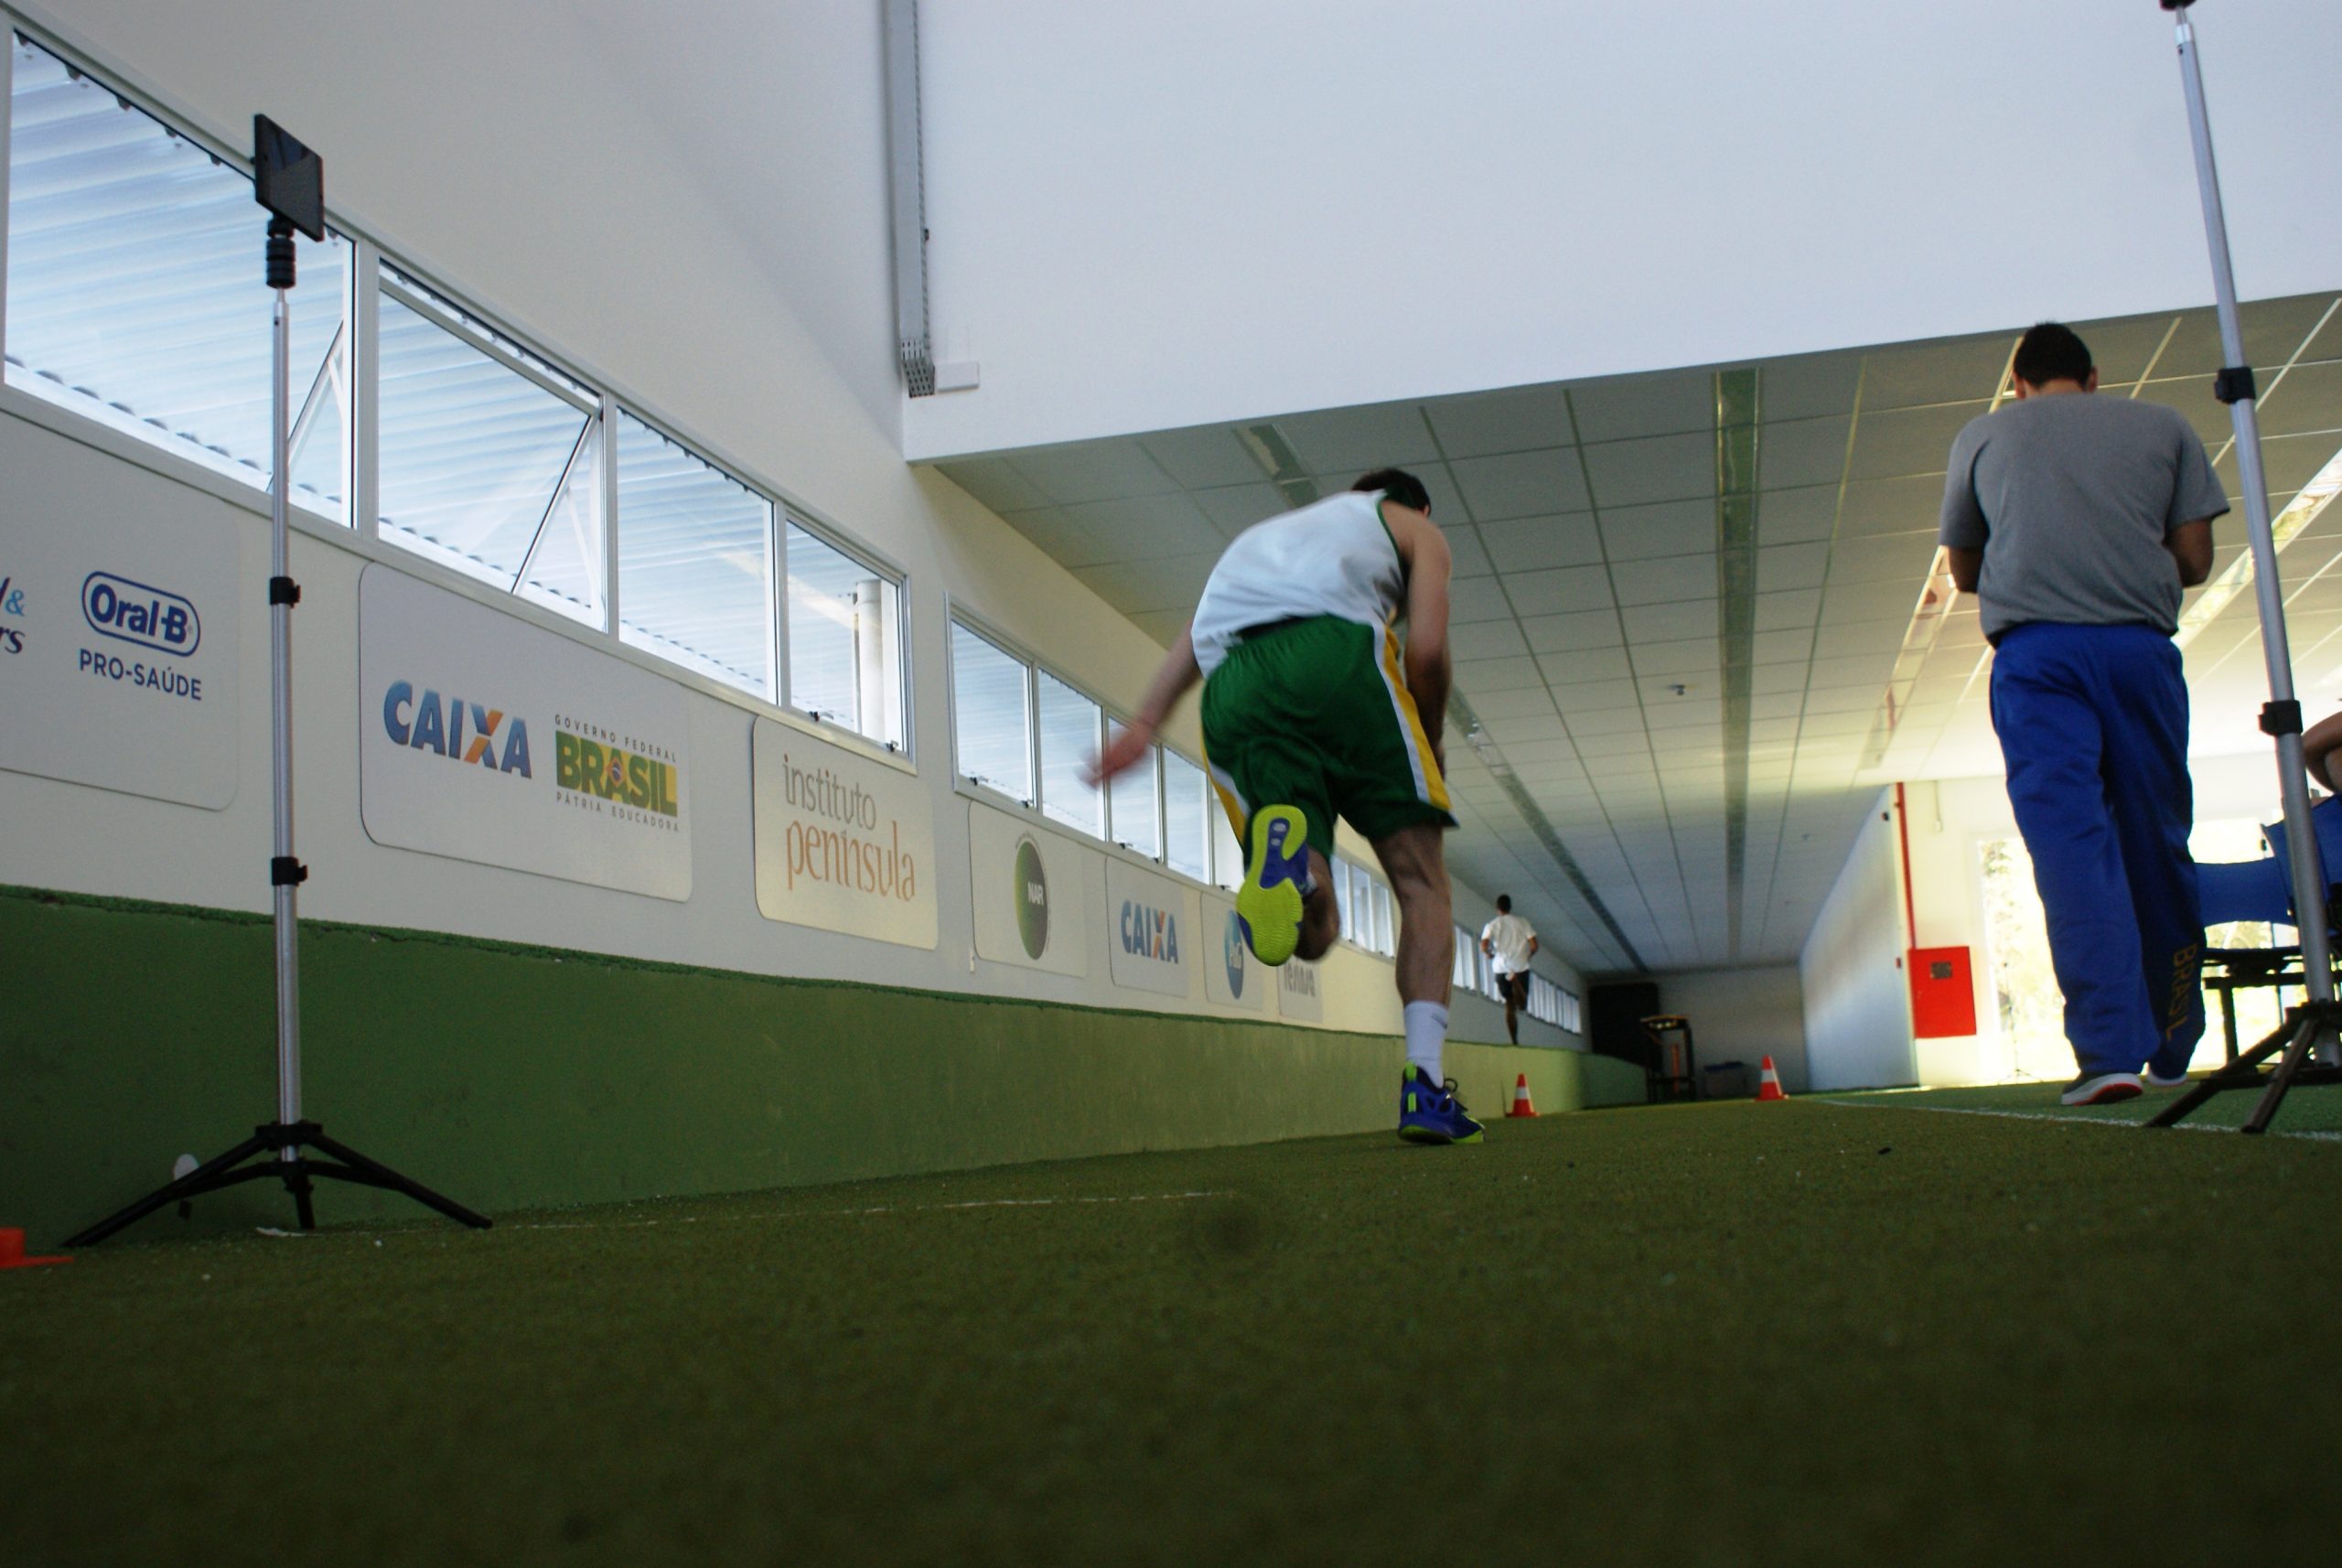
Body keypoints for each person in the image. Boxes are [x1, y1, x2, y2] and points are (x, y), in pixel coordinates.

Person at [1088, 467, 1480, 1144]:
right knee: (1420, 882)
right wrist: (1430, 738)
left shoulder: (1264, 541)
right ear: (1412, 503)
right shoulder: (1414, 526)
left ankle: (1295, 868)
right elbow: (1425, 650)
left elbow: (1191, 640)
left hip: (1233, 691)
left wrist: (1144, 725)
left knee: (1311, 936)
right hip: (1339, 658)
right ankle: (1423, 1086)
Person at [1939, 321, 2227, 1106]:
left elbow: (1965, 570)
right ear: (2094, 377)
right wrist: (2120, 561)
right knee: (2157, 837)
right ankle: (2175, 1037)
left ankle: (2107, 1056)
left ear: (2017, 383)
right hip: (2138, 651)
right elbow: (2197, 560)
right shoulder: (2164, 425)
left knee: (2070, 849)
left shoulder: (1982, 435)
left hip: (2038, 660)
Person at [1479, 895, 1538, 1044]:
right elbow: (1534, 945)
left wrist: (1489, 953)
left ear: (1497, 908)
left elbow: (1484, 945)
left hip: (1500, 967)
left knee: (1509, 1005)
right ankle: (1516, 982)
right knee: (1522, 1005)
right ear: (1510, 907)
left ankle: (1514, 1041)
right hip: (1520, 965)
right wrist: (1528, 956)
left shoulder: (1491, 925)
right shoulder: (1522, 922)